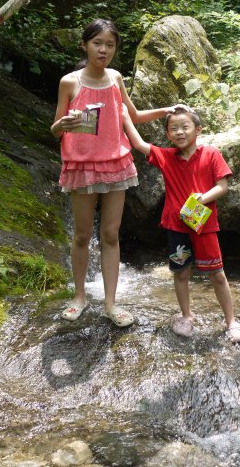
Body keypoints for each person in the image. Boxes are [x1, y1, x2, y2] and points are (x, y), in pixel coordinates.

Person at [51, 18, 182, 328]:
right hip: (82, 164)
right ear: (84, 45)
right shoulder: (70, 82)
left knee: (111, 234)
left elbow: (133, 115)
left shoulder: (115, 79)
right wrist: (63, 125)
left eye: (110, 45)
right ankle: (80, 298)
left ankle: (111, 303)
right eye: (98, 43)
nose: (104, 50)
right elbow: (55, 130)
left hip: (116, 163)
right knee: (83, 235)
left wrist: (165, 111)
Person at [122, 104, 240, 343]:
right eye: (174, 129)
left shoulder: (211, 154)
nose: (180, 132)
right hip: (176, 226)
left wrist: (203, 197)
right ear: (168, 135)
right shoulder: (167, 157)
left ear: (198, 129)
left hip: (204, 225)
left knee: (217, 274)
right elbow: (139, 145)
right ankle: (186, 316)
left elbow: (223, 186)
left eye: (185, 127)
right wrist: (126, 117)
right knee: (180, 273)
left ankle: (231, 321)